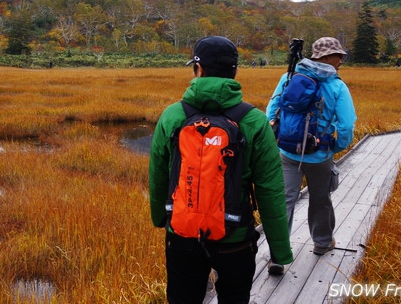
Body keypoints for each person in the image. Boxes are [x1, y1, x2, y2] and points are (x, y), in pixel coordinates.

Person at [149, 36, 293, 304]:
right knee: (235, 297)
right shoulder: (254, 121)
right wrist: (280, 250)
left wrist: (160, 218)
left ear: (199, 69)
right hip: (235, 235)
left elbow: (158, 177)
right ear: (234, 71)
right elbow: (270, 190)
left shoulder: (172, 116)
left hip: (182, 233)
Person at [266, 37, 357, 274]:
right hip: (320, 154)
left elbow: (272, 108)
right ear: (326, 57)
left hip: (287, 151)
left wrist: (278, 132)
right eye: (338, 56)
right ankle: (322, 243)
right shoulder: (337, 86)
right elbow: (346, 126)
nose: (341, 60)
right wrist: (336, 147)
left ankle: (278, 254)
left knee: (284, 200)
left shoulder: (289, 77)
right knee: (320, 198)